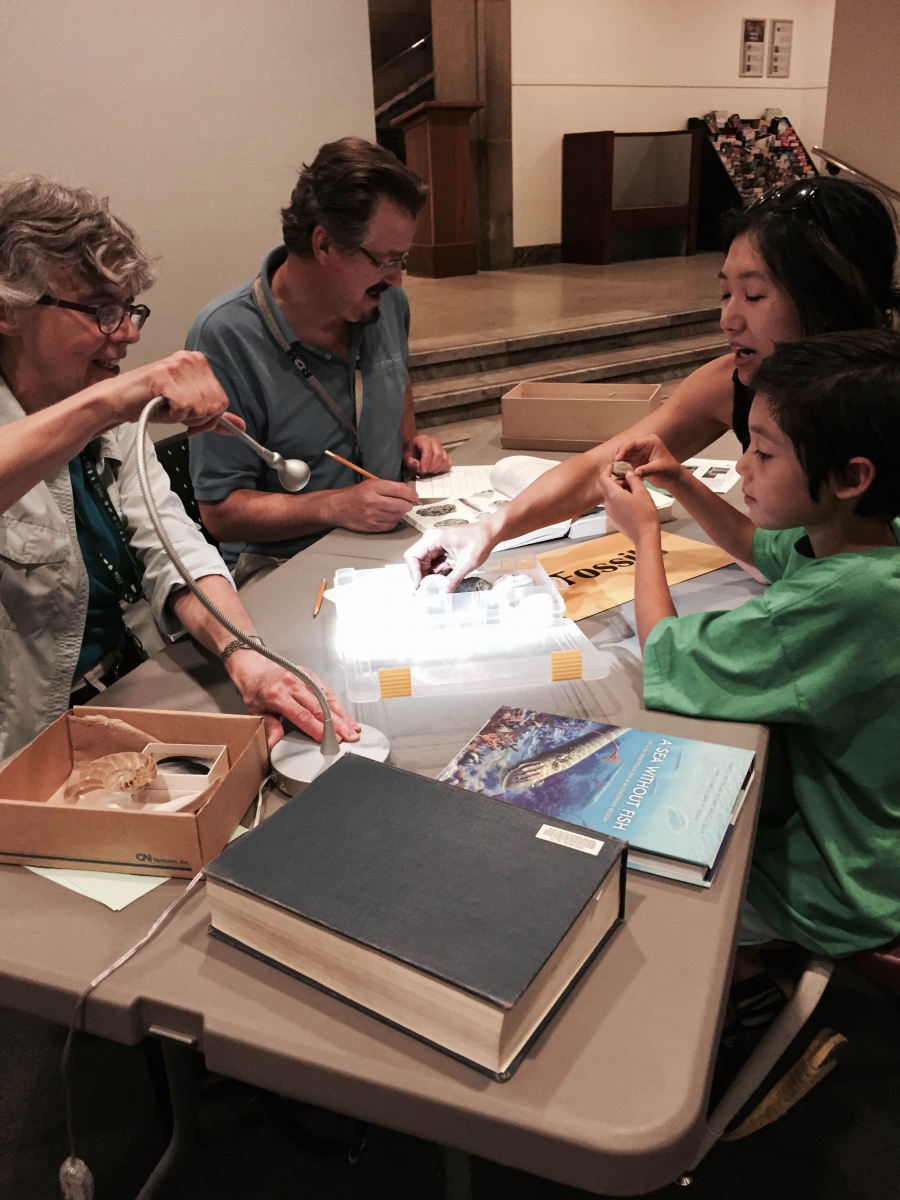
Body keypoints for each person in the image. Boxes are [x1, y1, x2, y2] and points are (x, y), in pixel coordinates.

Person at [0, 176, 359, 760]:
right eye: (102, 311)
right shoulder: (101, 402)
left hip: (120, 695)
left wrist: (247, 653)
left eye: (129, 309)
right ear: (8, 311)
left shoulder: (103, 410)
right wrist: (108, 403)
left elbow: (169, 546)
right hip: (24, 742)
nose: (131, 333)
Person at [405, 177, 900, 591]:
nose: (728, 319)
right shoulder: (729, 379)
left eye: (753, 295)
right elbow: (607, 462)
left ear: (830, 300)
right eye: (726, 292)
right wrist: (489, 528)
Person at [597, 330, 900, 983]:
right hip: (865, 839)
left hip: (840, 878)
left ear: (851, 476)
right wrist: (679, 482)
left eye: (764, 452)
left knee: (626, 899)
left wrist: (644, 534)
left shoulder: (844, 601)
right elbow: (756, 545)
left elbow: (666, 654)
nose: (741, 468)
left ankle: (717, 1008)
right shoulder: (867, 541)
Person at [187, 137, 452, 587]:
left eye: (402, 259)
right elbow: (222, 513)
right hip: (285, 569)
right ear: (324, 244)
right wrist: (336, 505)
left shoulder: (386, 304)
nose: (397, 278)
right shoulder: (226, 336)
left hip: (389, 546)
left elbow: (395, 379)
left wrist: (409, 440)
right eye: (385, 260)